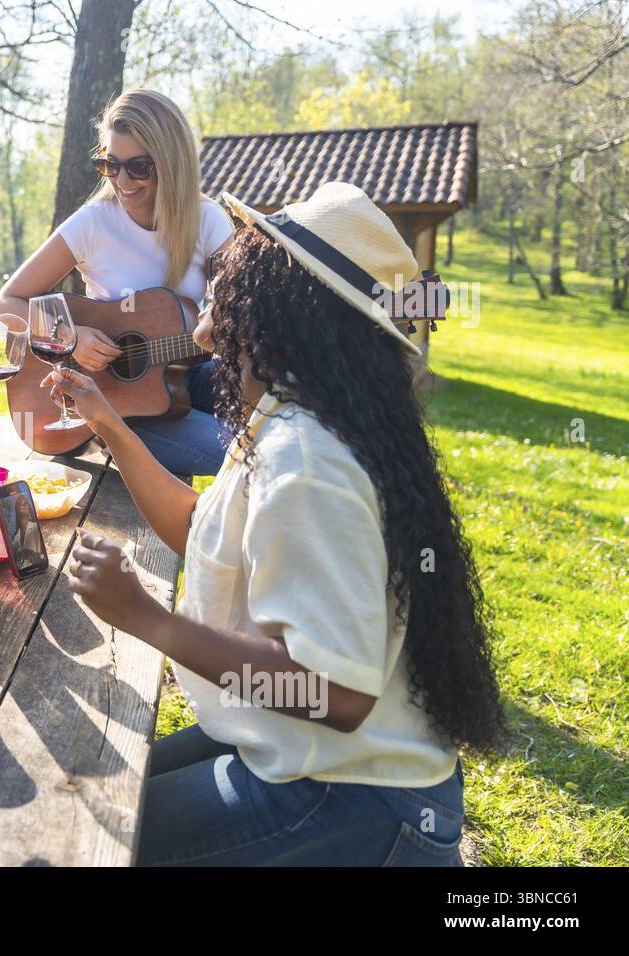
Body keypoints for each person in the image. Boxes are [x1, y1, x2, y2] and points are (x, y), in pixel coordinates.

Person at [45, 182, 507, 865]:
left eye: (240, 260)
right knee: (86, 794)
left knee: (82, 841)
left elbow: (339, 693)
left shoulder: (307, 459)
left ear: (275, 301)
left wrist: (148, 619)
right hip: (304, 750)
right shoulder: (287, 417)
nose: (220, 266)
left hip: (358, 796)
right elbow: (209, 529)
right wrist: (108, 424)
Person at [0, 87, 233, 475]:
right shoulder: (93, 222)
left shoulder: (208, 220)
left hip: (184, 376)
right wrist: (71, 337)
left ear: (171, 164)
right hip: (117, 408)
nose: (122, 180)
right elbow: (7, 303)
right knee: (232, 456)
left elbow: (243, 307)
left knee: (276, 422)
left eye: (138, 167)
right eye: (109, 164)